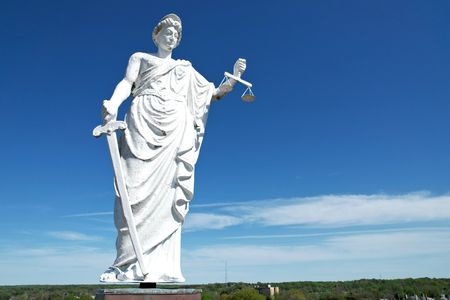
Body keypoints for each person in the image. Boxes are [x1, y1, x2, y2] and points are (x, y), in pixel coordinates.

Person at [99, 13, 246, 283]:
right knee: (131, 192)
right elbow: (126, 84)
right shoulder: (140, 58)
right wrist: (113, 103)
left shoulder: (185, 69)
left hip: (175, 128)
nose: (172, 37)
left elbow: (211, 93)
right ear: (156, 35)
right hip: (142, 120)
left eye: (176, 35)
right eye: (167, 32)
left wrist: (234, 79)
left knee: (168, 195)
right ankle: (125, 265)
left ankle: (160, 267)